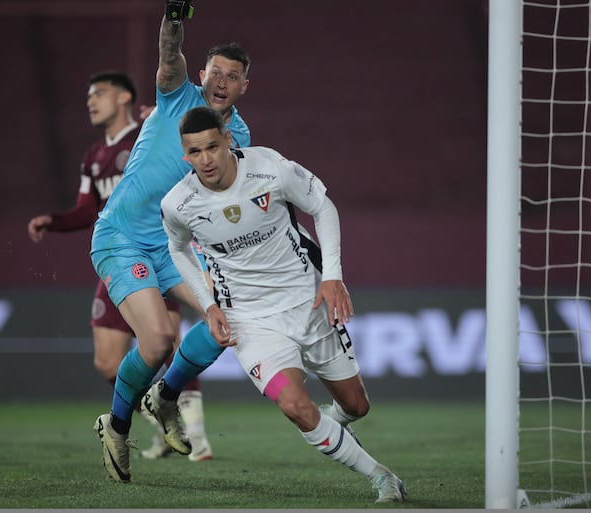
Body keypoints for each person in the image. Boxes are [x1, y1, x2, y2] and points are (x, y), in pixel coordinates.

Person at [155, 105, 406, 504]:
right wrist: (208, 305)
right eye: (195, 152)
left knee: (357, 406)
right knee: (293, 405)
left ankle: (333, 424)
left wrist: (332, 276)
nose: (205, 159)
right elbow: (178, 249)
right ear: (185, 155)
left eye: (212, 148)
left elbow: (323, 207)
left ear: (229, 142)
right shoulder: (178, 203)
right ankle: (382, 476)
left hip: (308, 303)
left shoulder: (270, 168)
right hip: (250, 321)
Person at [90, 0, 251, 482]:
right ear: (202, 74)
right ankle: (116, 425)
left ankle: (164, 395)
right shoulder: (176, 94)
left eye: (233, 76)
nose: (222, 81)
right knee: (158, 340)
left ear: (244, 86)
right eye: (216, 72)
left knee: (228, 318)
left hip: (173, 247)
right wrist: (174, 16)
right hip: (121, 237)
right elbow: (169, 53)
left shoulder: (238, 136)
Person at [27, 70, 212, 462]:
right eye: (88, 95)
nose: (91, 101)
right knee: (108, 359)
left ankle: (193, 430)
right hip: (122, 250)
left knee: (170, 337)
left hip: (163, 249)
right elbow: (86, 210)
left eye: (100, 93)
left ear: (126, 96)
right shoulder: (94, 156)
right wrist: (54, 221)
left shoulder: (153, 130)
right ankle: (144, 415)